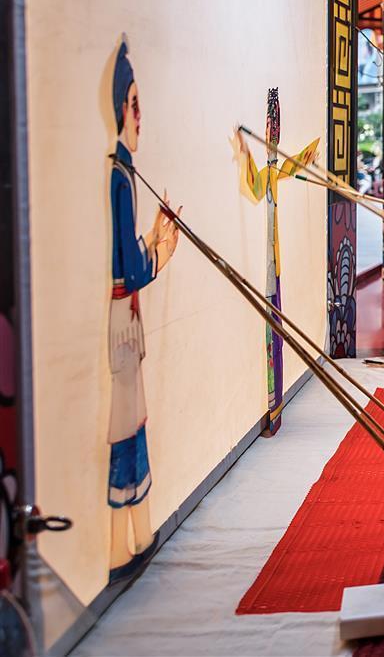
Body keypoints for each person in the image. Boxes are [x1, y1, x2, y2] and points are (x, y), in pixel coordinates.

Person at [107, 41, 181, 582]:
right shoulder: (119, 175)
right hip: (121, 320)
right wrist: (161, 251)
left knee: (133, 426)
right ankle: (121, 546)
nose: (140, 115)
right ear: (120, 109)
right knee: (125, 431)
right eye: (134, 104)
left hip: (125, 318)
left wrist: (154, 236)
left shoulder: (125, 172)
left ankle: (136, 535)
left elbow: (127, 254)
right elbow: (128, 269)